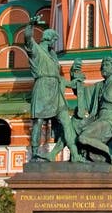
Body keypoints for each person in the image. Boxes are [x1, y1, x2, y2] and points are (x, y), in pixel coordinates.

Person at [23, 18, 83, 162]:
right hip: (42, 88)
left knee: (66, 122)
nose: (55, 44)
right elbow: (27, 39)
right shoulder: (36, 50)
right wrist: (30, 25)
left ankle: (74, 154)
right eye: (54, 40)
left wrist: (71, 83)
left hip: (56, 91)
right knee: (38, 121)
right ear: (49, 39)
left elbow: (58, 77)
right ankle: (35, 154)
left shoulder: (53, 56)